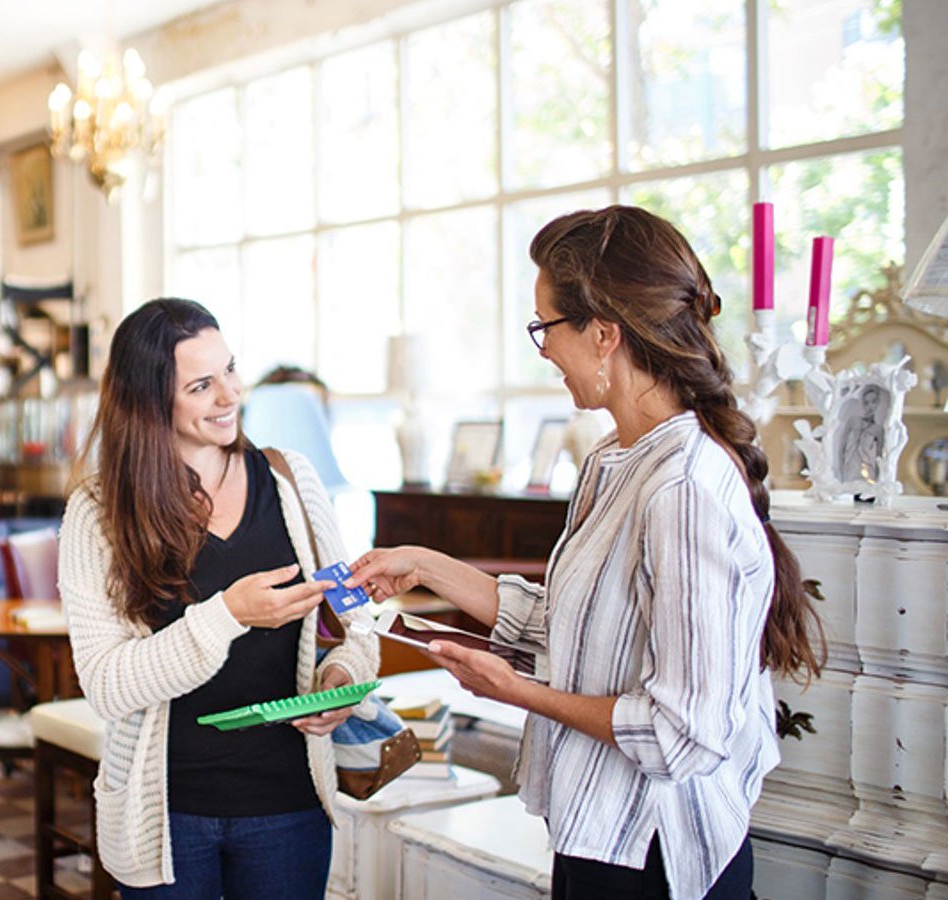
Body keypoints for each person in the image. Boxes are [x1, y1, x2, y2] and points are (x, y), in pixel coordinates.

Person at [347, 206, 825, 900]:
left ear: (605, 334)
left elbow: (682, 735)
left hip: (659, 859)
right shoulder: (614, 459)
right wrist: (426, 564)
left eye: (545, 326)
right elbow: (582, 627)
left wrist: (518, 692)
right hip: (599, 839)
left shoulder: (685, 488)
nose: (540, 348)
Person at [57, 298, 379, 897]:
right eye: (201, 385)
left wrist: (340, 676)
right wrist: (228, 615)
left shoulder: (290, 480)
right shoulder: (99, 513)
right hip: (169, 813)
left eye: (230, 370)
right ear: (151, 400)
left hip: (289, 804)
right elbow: (105, 684)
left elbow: (358, 624)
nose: (230, 395)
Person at [836, 384, 885, 483]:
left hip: (867, 472)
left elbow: (879, 457)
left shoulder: (878, 430)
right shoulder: (853, 421)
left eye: (873, 402)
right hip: (848, 469)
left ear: (878, 403)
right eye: (866, 403)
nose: (870, 406)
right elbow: (841, 446)